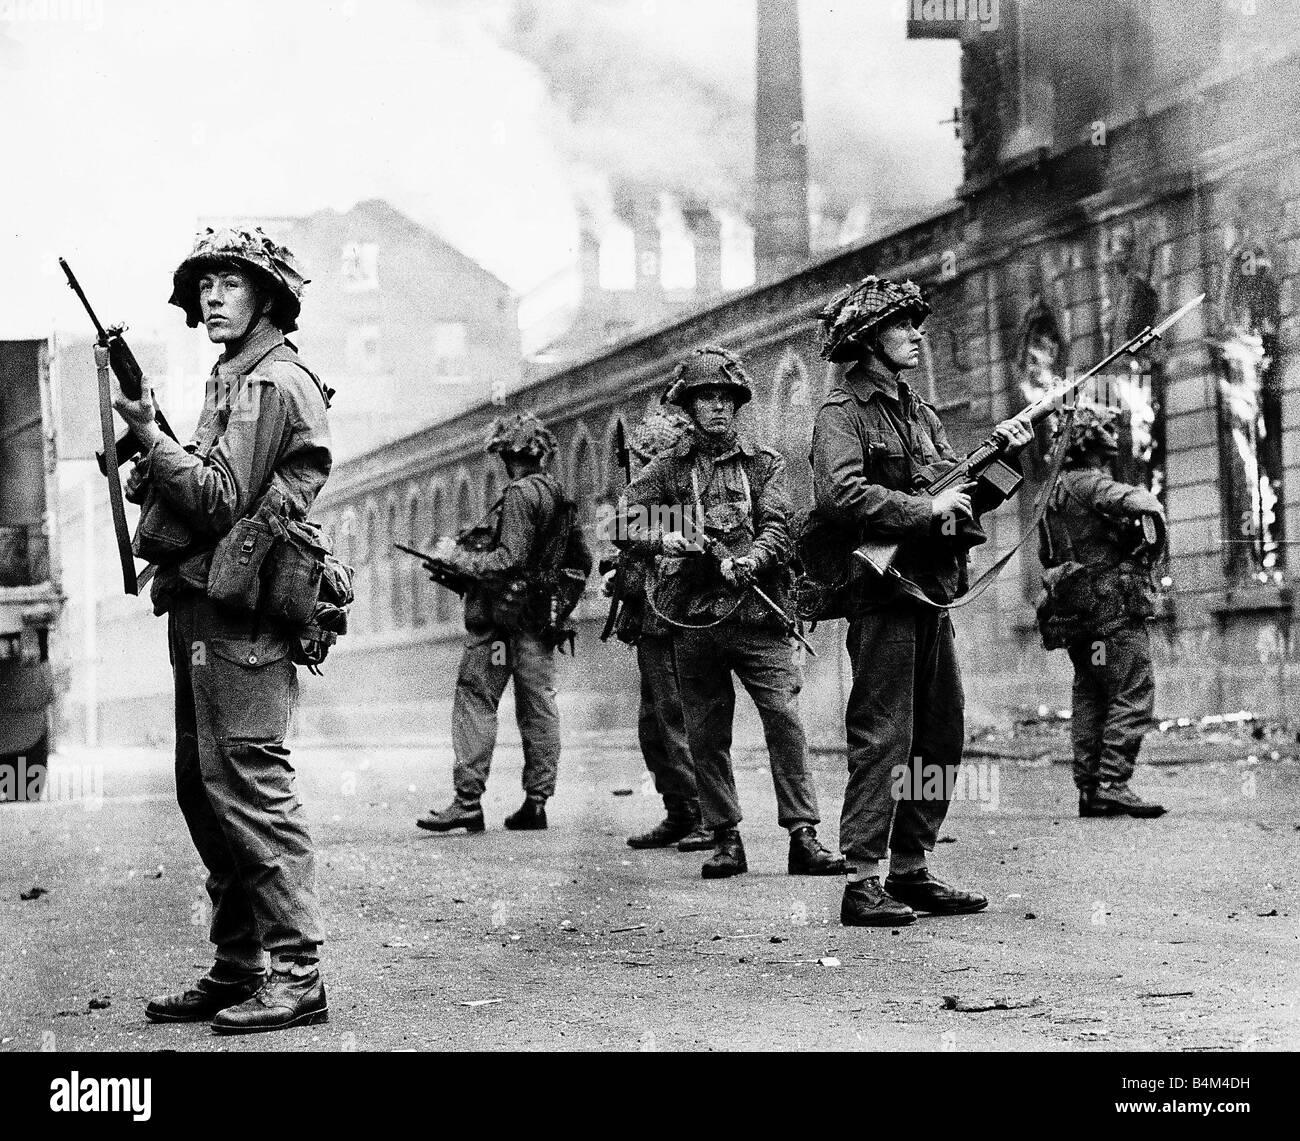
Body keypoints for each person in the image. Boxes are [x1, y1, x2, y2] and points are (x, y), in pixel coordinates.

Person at [116, 227, 333, 1032]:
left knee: (250, 787)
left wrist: (149, 435)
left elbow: (216, 499)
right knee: (205, 791)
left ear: (268, 296)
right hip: (205, 607)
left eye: (229, 282)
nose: (210, 295)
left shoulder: (273, 385)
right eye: (203, 283)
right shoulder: (230, 380)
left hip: (243, 618)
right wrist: (157, 452)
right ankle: (242, 962)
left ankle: (298, 971)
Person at [810, 275, 1034, 927]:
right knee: (885, 734)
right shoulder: (841, 413)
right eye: (903, 324)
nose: (916, 333)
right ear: (869, 339)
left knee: (939, 734)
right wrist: (922, 506)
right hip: (882, 593)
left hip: (930, 591)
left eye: (917, 323)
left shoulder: (918, 412)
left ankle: (910, 865)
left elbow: (962, 496)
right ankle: (861, 878)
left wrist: (1003, 452)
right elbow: (839, 496)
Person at [620, 347, 845, 880]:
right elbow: (626, 521)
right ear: (689, 406)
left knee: (785, 722)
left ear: (737, 404)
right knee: (705, 732)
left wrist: (754, 559)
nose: (717, 408)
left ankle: (803, 835)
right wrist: (666, 537)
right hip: (695, 620)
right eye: (706, 399)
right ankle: (726, 838)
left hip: (758, 618)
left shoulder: (761, 463)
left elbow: (780, 523)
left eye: (725, 399)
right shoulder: (671, 471)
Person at [417, 413, 592, 834]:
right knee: (539, 707)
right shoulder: (560, 495)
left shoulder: (518, 494)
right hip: (537, 628)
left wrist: (459, 560)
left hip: (501, 630)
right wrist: (557, 606)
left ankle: (467, 802)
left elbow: (508, 559)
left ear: (508, 455)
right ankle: (536, 802)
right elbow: (581, 561)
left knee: (477, 698)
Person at [1036, 406, 1167, 818]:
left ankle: (1090, 788)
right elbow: (1144, 503)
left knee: (1092, 693)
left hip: (1078, 618)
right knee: (1131, 690)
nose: (1114, 436)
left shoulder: (1052, 493)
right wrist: (1149, 541)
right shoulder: (1092, 485)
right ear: (1091, 442)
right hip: (1112, 613)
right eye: (1107, 430)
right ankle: (1113, 781)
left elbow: (1045, 553)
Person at [603, 407, 711, 852]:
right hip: (649, 616)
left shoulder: (695, 487)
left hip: (680, 617)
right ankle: (680, 810)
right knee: (653, 725)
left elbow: (696, 536)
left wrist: (649, 536)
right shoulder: (651, 491)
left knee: (678, 718)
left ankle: (707, 812)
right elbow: (617, 529)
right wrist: (619, 566)